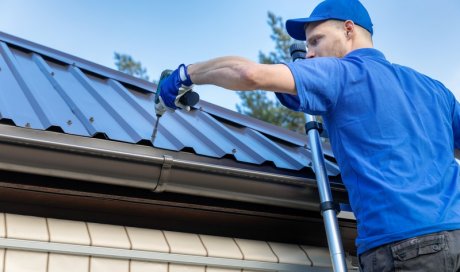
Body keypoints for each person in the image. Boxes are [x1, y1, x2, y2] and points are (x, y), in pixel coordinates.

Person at [157, 0, 460, 270]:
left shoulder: (341, 73)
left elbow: (249, 74)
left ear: (348, 30)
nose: (310, 53)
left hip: (403, 246)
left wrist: (185, 74)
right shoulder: (432, 89)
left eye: (316, 41)